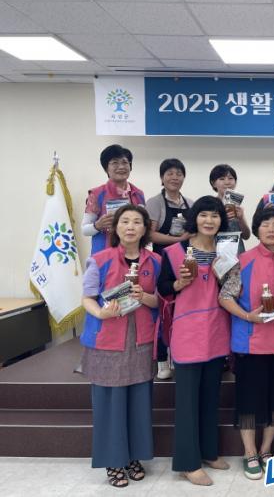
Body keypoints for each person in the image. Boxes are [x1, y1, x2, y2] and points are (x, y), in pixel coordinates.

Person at [80, 205, 160, 488]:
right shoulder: (99, 259)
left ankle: (134, 457)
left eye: (137, 222)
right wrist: (101, 313)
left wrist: (144, 296)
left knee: (139, 402)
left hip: (141, 340)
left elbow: (159, 301)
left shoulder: (155, 261)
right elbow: (87, 297)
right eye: (124, 221)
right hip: (108, 341)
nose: (130, 227)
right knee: (110, 404)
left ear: (145, 229)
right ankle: (113, 461)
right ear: (115, 228)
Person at [157, 196, 231, 486]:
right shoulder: (175, 252)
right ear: (194, 218)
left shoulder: (225, 251)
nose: (209, 221)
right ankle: (188, 463)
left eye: (215, 215)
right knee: (187, 401)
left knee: (210, 396)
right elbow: (163, 287)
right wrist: (178, 283)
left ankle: (209, 452)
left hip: (216, 331)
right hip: (188, 333)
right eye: (204, 215)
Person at [218, 208, 274, 480]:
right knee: (248, 402)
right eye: (265, 224)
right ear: (257, 230)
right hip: (249, 343)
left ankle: (265, 450)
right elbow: (225, 297)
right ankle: (249, 453)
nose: (271, 229)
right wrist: (248, 316)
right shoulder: (243, 260)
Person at [146, 158, 194, 380]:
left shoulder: (190, 203)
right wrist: (178, 239)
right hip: (162, 261)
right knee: (163, 310)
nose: (175, 177)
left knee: (180, 310)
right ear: (162, 177)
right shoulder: (154, 202)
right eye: (170, 173)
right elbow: (150, 234)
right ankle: (162, 359)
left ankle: (177, 354)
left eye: (179, 173)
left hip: (184, 261)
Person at [82, 144, 145, 255]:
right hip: (104, 255)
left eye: (125, 162)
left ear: (130, 166)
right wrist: (98, 225)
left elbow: (143, 224)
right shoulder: (97, 194)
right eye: (115, 163)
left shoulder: (138, 194)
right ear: (106, 168)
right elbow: (84, 230)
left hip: (131, 254)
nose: (121, 167)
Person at [209, 164, 251, 254]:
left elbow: (246, 236)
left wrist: (241, 219)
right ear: (213, 183)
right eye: (222, 179)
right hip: (217, 253)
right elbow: (205, 234)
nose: (227, 182)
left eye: (230, 178)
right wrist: (222, 219)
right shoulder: (210, 205)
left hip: (238, 254)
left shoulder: (236, 206)